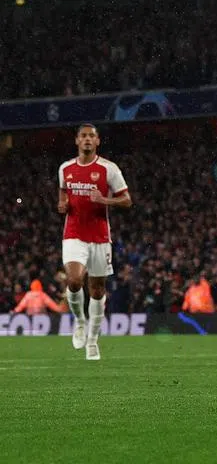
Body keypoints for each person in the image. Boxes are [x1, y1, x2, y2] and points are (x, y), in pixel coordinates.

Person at [58, 123, 133, 361]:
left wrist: (104, 200)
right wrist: (63, 205)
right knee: (74, 279)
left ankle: (93, 340)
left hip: (100, 237)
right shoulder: (65, 168)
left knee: (98, 289)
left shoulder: (108, 169)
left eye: (92, 136)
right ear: (77, 141)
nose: (88, 139)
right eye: (83, 136)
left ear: (98, 141)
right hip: (73, 234)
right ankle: (80, 321)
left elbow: (127, 200)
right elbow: (63, 194)